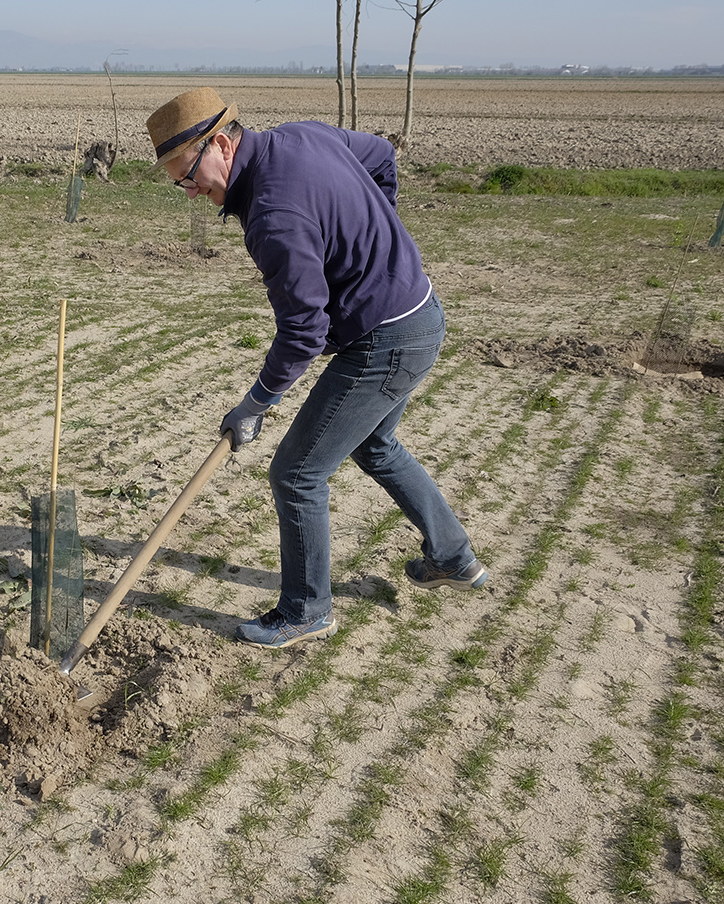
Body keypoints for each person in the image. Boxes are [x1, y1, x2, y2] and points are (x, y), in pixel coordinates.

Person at [145, 87, 487, 650]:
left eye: (189, 175)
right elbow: (380, 155)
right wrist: (382, 240)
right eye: (179, 183)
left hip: (387, 340)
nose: (191, 192)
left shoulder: (273, 219)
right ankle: (453, 556)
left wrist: (256, 403)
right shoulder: (302, 135)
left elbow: (303, 332)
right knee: (375, 446)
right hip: (419, 312)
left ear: (223, 146)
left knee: (296, 473)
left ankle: (307, 609)